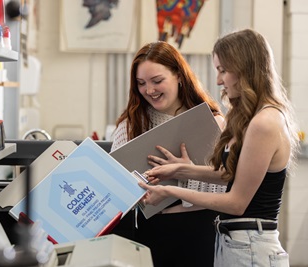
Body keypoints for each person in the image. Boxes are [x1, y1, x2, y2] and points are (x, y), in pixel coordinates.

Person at [139, 29, 300, 267]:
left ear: (245, 68)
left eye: (223, 70)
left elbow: (236, 202)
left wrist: (172, 192)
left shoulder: (264, 123)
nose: (218, 80)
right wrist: (181, 171)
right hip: (235, 241)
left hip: (251, 247)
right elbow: (231, 175)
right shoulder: (251, 117)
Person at [110, 40, 227, 267]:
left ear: (179, 76)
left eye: (157, 81)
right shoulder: (131, 124)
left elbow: (226, 187)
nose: (149, 90)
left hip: (199, 229)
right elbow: (115, 184)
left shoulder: (211, 121)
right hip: (151, 231)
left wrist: (187, 172)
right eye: (141, 83)